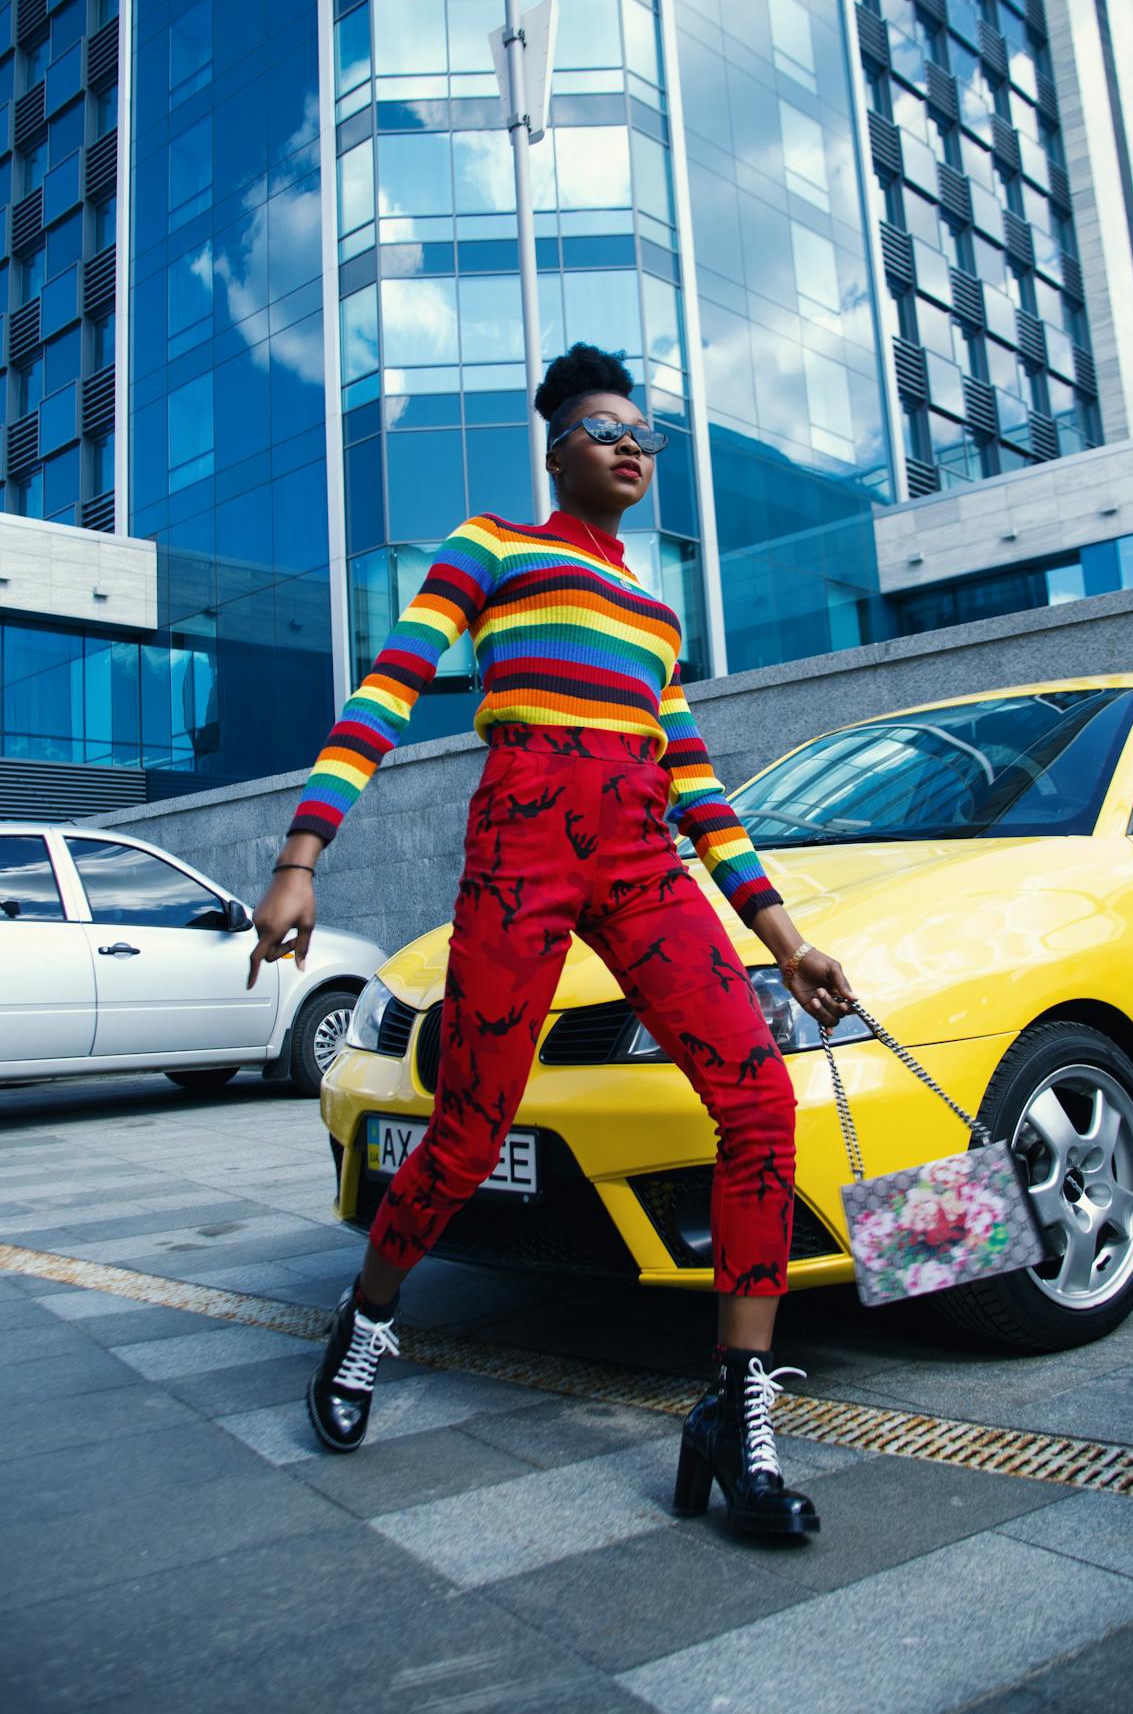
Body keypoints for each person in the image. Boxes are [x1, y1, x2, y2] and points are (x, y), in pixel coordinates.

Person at [248, 342, 857, 1539]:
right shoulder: (490, 548)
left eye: (644, 434)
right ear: (554, 449)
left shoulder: (655, 614)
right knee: (468, 1137)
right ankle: (368, 1314)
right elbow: (383, 692)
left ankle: (733, 1412)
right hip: (523, 844)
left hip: (640, 858)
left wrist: (784, 938)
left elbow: (700, 792)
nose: (631, 445)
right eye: (601, 426)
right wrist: (300, 857)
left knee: (755, 1101)